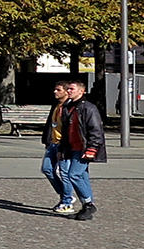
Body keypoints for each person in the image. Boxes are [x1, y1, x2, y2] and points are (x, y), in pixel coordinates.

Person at [57, 78, 105, 220]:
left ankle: (89, 204)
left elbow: (96, 130)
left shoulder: (88, 108)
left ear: (81, 91)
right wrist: (62, 148)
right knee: (82, 176)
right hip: (72, 147)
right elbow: (66, 130)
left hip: (83, 148)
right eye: (68, 89)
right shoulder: (69, 106)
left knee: (74, 175)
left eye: (72, 89)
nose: (68, 91)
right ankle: (86, 206)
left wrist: (92, 148)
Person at [40, 81, 71, 212]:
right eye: (55, 89)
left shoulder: (69, 107)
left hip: (62, 144)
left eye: (58, 90)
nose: (55, 92)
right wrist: (47, 141)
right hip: (52, 142)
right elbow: (50, 124)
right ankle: (64, 194)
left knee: (64, 173)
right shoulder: (56, 105)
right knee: (47, 169)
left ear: (66, 91)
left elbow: (69, 129)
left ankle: (67, 201)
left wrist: (64, 147)